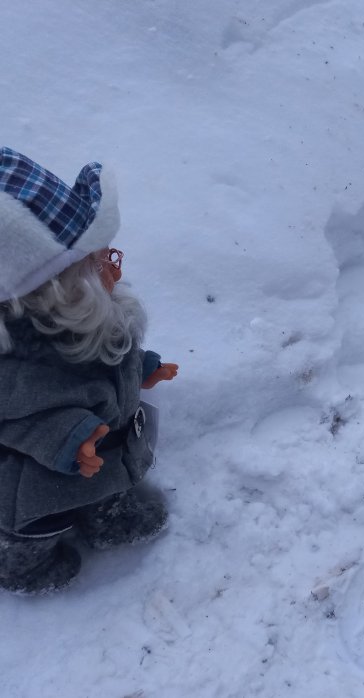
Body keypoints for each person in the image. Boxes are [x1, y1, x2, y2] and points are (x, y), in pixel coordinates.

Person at [0, 147, 178, 594]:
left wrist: (143, 368)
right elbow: (18, 415)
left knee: (109, 477)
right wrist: (66, 437)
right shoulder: (17, 366)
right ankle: (22, 565)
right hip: (39, 476)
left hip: (102, 453)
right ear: (50, 292)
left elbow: (114, 355)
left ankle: (107, 516)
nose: (110, 265)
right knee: (42, 519)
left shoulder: (90, 317)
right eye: (93, 263)